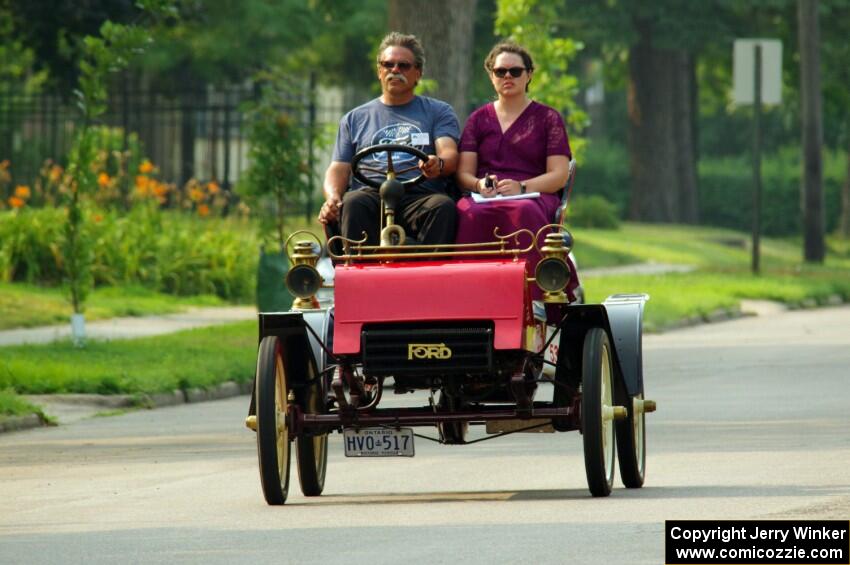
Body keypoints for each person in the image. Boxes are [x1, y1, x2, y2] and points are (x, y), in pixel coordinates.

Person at [454, 41, 579, 301]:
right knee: (464, 211)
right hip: (485, 198)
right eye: (500, 72)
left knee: (522, 210)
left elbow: (559, 175)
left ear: (529, 74)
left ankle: (535, 298)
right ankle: (466, 297)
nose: (507, 76)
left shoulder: (548, 118)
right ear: (491, 76)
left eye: (515, 71)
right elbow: (464, 173)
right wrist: (479, 185)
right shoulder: (477, 119)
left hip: (534, 195)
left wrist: (522, 187)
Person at [317, 32, 460, 246]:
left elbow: (448, 153)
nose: (395, 70)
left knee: (443, 207)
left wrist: (437, 163)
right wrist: (332, 197)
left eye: (403, 65)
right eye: (388, 64)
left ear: (418, 73)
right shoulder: (354, 118)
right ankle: (360, 275)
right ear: (379, 71)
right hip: (370, 195)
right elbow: (338, 168)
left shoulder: (438, 112)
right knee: (352, 202)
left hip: (419, 197)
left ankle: (429, 275)